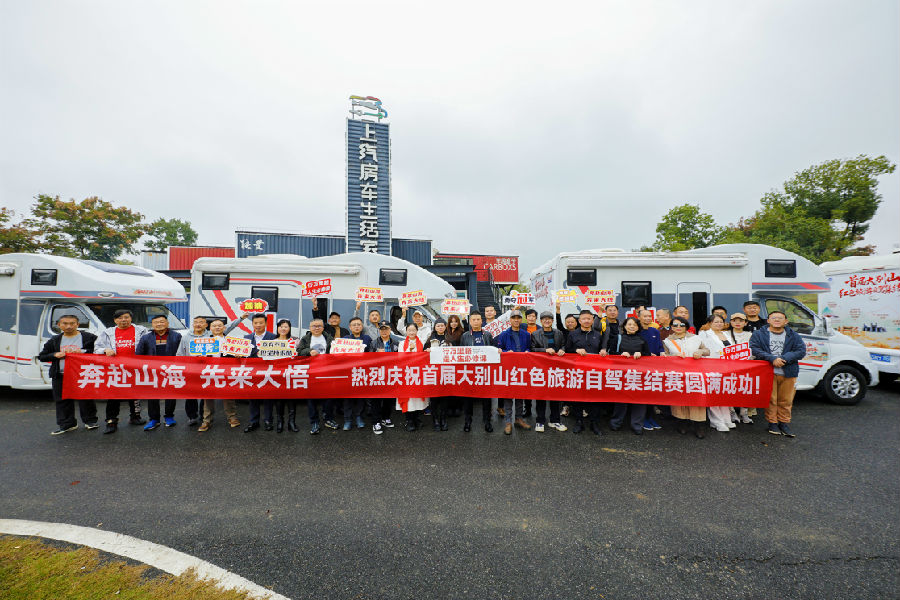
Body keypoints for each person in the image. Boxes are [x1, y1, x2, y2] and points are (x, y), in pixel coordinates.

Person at [749, 311, 807, 437]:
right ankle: (772, 423)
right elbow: (754, 349)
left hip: (788, 371)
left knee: (786, 400)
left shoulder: (793, 335)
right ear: (768, 320)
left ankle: (784, 423)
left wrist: (783, 358)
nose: (777, 320)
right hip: (768, 372)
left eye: (780, 318)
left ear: (786, 321)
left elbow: (801, 351)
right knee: (771, 399)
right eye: (773, 318)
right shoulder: (759, 334)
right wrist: (771, 358)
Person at [39, 314, 98, 435]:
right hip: (60, 374)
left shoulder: (89, 337)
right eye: (65, 323)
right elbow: (42, 356)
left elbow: (99, 351)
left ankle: (90, 421)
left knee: (86, 398)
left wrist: (83, 351)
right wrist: (55, 355)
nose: (69, 326)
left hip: (82, 374)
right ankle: (67, 424)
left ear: (78, 324)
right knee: (62, 400)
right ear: (59, 325)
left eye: (72, 323)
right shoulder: (54, 340)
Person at [94, 309, 147, 434]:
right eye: (120, 318)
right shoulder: (107, 332)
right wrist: (105, 350)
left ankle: (135, 417)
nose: (123, 320)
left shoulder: (142, 330)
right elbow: (97, 348)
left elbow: (148, 345)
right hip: (115, 369)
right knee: (113, 396)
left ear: (131, 318)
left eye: (126, 317)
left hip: (135, 368)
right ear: (115, 320)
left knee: (134, 394)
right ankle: (111, 421)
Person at [560, 309, 608, 435]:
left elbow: (602, 348)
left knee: (595, 398)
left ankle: (594, 423)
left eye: (589, 318)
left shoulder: (598, 334)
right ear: (579, 321)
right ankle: (579, 422)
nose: (586, 321)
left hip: (595, 372)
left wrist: (603, 350)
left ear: (592, 320)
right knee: (578, 397)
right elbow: (568, 349)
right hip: (578, 371)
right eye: (584, 319)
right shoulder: (573, 334)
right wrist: (576, 350)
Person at [663, 316, 709, 438]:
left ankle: (699, 425)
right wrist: (672, 356)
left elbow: (707, 350)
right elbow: (664, 356)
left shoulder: (696, 338)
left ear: (686, 326)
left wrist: (700, 352)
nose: (678, 327)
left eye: (681, 325)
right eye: (675, 325)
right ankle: (682, 422)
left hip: (695, 373)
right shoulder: (667, 341)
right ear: (671, 327)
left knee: (696, 397)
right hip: (677, 374)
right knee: (679, 398)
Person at [135, 315, 183, 431]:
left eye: (162, 321)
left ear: (167, 323)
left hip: (171, 370)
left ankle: (169, 417)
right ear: (152, 324)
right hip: (152, 371)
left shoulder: (177, 336)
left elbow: (181, 352)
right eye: (156, 322)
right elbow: (138, 354)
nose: (159, 324)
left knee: (171, 394)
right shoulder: (146, 338)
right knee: (152, 396)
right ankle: (154, 419)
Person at [197, 318, 241, 431]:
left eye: (220, 325)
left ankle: (232, 418)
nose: (217, 327)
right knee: (208, 397)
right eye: (214, 326)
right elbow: (197, 359)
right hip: (209, 372)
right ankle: (206, 421)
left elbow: (240, 358)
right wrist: (200, 358)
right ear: (210, 328)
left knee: (228, 396)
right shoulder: (203, 342)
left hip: (226, 372)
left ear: (224, 328)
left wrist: (238, 356)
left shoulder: (231, 342)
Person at [609, 317, 650, 435]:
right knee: (621, 399)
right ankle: (616, 423)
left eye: (634, 325)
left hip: (638, 374)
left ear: (638, 327)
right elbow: (610, 353)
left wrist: (641, 354)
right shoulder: (618, 338)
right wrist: (620, 354)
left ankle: (637, 425)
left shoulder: (642, 339)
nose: (632, 326)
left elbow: (649, 356)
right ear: (625, 326)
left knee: (639, 400)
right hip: (621, 374)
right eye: (629, 324)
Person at [698, 314, 738, 432]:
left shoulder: (726, 334)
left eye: (721, 322)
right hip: (712, 367)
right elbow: (705, 350)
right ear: (710, 323)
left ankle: (726, 419)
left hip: (727, 368)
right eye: (716, 322)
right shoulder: (704, 334)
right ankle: (716, 421)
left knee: (724, 394)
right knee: (714, 394)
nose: (719, 324)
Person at [495, 310, 533, 435]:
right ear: (510, 320)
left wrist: (527, 351)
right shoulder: (504, 334)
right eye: (514, 318)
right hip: (508, 369)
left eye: (518, 318)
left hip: (522, 369)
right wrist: (506, 352)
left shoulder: (526, 334)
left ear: (521, 320)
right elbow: (500, 350)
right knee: (508, 396)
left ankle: (518, 419)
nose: (516, 320)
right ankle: (507, 422)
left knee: (520, 395)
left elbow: (529, 347)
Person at [529, 311, 567, 432]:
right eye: (544, 319)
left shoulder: (559, 333)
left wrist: (562, 350)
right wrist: (545, 350)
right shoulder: (535, 334)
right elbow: (532, 349)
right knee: (541, 396)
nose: (547, 321)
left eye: (549, 319)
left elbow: (563, 345)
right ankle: (540, 421)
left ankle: (555, 420)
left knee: (555, 396)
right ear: (541, 321)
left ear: (552, 321)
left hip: (556, 369)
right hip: (541, 368)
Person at [298, 318, 337, 434]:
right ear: (310, 328)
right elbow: (298, 351)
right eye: (314, 326)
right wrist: (309, 351)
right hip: (311, 373)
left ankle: (328, 418)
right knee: (311, 399)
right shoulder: (305, 339)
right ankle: (314, 421)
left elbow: (336, 351)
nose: (316, 328)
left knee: (329, 397)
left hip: (327, 372)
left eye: (319, 326)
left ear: (323, 327)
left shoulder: (329, 338)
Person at [460, 311, 494, 433]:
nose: (475, 322)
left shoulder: (488, 335)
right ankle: (468, 421)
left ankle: (487, 421)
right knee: (468, 398)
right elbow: (461, 354)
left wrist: (498, 351)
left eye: (478, 319)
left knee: (486, 398)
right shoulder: (465, 336)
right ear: (470, 321)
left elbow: (493, 350)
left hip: (485, 371)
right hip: (469, 372)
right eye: (473, 319)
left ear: (481, 320)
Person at [243, 314, 277, 433]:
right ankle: (253, 422)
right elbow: (243, 355)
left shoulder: (273, 337)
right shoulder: (246, 337)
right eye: (256, 323)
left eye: (261, 323)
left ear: (266, 324)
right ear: (252, 324)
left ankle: (268, 420)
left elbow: (278, 354)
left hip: (268, 371)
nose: (258, 325)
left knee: (268, 398)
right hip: (252, 372)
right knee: (253, 398)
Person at [175, 315, 209, 426]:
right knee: (190, 395)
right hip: (191, 370)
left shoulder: (211, 335)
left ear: (206, 325)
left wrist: (241, 318)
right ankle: (192, 416)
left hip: (206, 370)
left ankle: (204, 415)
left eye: (201, 322)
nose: (198, 324)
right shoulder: (185, 337)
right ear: (193, 324)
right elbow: (180, 354)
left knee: (205, 395)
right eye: (196, 322)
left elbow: (226, 328)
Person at [341, 317, 373, 431]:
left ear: (362, 326)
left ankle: (359, 417)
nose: (356, 326)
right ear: (350, 327)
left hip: (362, 372)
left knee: (361, 397)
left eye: (359, 324)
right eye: (354, 325)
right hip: (348, 372)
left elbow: (371, 353)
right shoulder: (345, 339)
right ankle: (348, 420)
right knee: (348, 397)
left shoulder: (367, 338)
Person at [369, 321, 399, 433]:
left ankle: (386, 418)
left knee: (389, 399)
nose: (384, 331)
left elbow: (401, 359)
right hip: (377, 374)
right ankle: (376, 422)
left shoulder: (396, 343)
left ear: (390, 330)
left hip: (391, 375)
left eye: (386, 329)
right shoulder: (373, 343)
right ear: (379, 330)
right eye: (382, 329)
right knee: (376, 399)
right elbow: (368, 360)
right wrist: (377, 354)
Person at [270, 319, 300, 433]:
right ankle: (280, 422)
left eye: (286, 326)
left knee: (292, 399)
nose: (283, 328)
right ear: (277, 328)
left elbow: (301, 355)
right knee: (279, 399)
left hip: (291, 373)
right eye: (281, 326)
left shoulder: (295, 341)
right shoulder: (272, 342)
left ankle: (291, 422)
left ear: (289, 328)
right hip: (277, 374)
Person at [727, 312, 756, 424]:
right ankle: (732, 412)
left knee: (745, 389)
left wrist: (748, 359)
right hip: (729, 367)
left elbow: (754, 350)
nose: (738, 323)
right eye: (735, 320)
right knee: (729, 389)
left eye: (741, 321)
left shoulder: (750, 335)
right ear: (731, 322)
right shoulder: (725, 334)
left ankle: (744, 413)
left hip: (746, 367)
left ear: (746, 323)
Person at [397, 323, 427, 431]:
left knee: (418, 398)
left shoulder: (422, 343)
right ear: (406, 331)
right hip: (406, 374)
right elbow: (400, 358)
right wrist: (409, 350)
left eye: (413, 330)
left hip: (419, 374)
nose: (411, 332)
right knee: (408, 399)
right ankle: (409, 420)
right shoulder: (401, 344)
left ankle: (417, 418)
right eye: (409, 330)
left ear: (417, 331)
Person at [425, 318, 452, 430]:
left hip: (446, 372)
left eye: (442, 325)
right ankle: (435, 420)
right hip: (433, 372)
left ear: (445, 327)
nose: (440, 327)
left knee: (445, 398)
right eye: (438, 326)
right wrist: (427, 351)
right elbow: (423, 354)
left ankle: (443, 419)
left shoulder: (450, 339)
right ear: (435, 327)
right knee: (434, 398)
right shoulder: (430, 339)